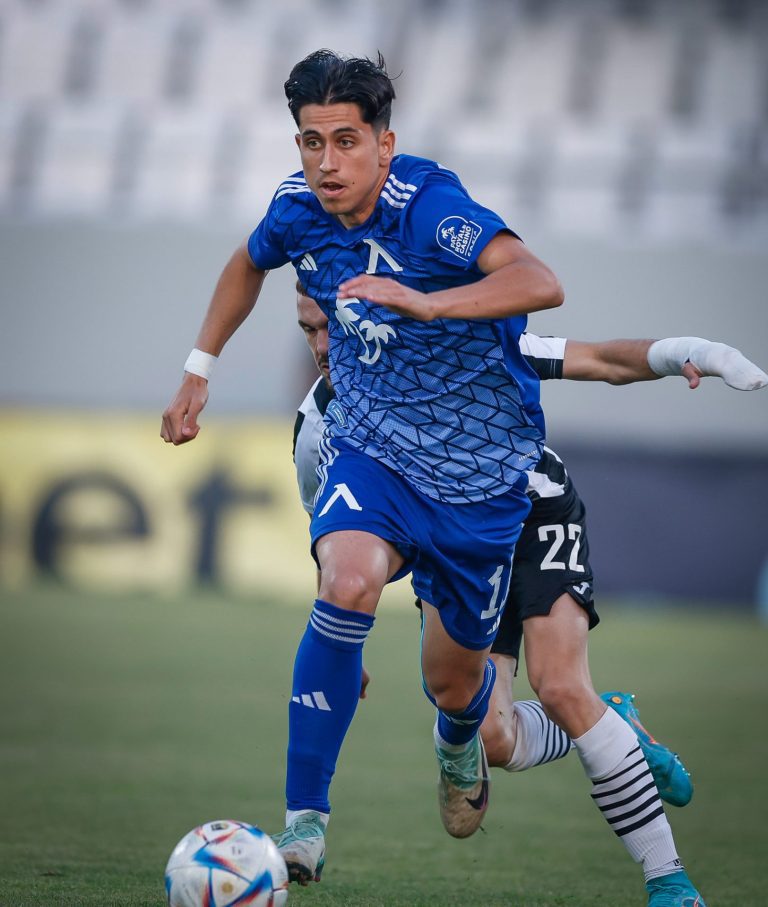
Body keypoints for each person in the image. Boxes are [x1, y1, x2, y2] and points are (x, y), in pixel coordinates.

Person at [160, 50, 707, 906]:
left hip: (493, 493)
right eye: (311, 142)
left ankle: (514, 736)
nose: (327, 162)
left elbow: (545, 288)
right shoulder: (300, 238)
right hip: (380, 460)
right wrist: (200, 366)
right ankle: (305, 822)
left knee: (467, 694)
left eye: (346, 141)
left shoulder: (431, 210)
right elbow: (247, 259)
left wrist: (426, 301)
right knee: (347, 579)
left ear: (384, 143)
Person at [293, 282, 767, 814]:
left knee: (559, 686)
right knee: (494, 741)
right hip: (456, 548)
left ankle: (603, 747)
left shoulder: (455, 348)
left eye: (331, 326)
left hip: (534, 509)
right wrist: (339, 642)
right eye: (309, 330)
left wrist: (693, 352)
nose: (323, 347)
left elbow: (601, 360)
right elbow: (333, 534)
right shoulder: (315, 428)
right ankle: (609, 718)